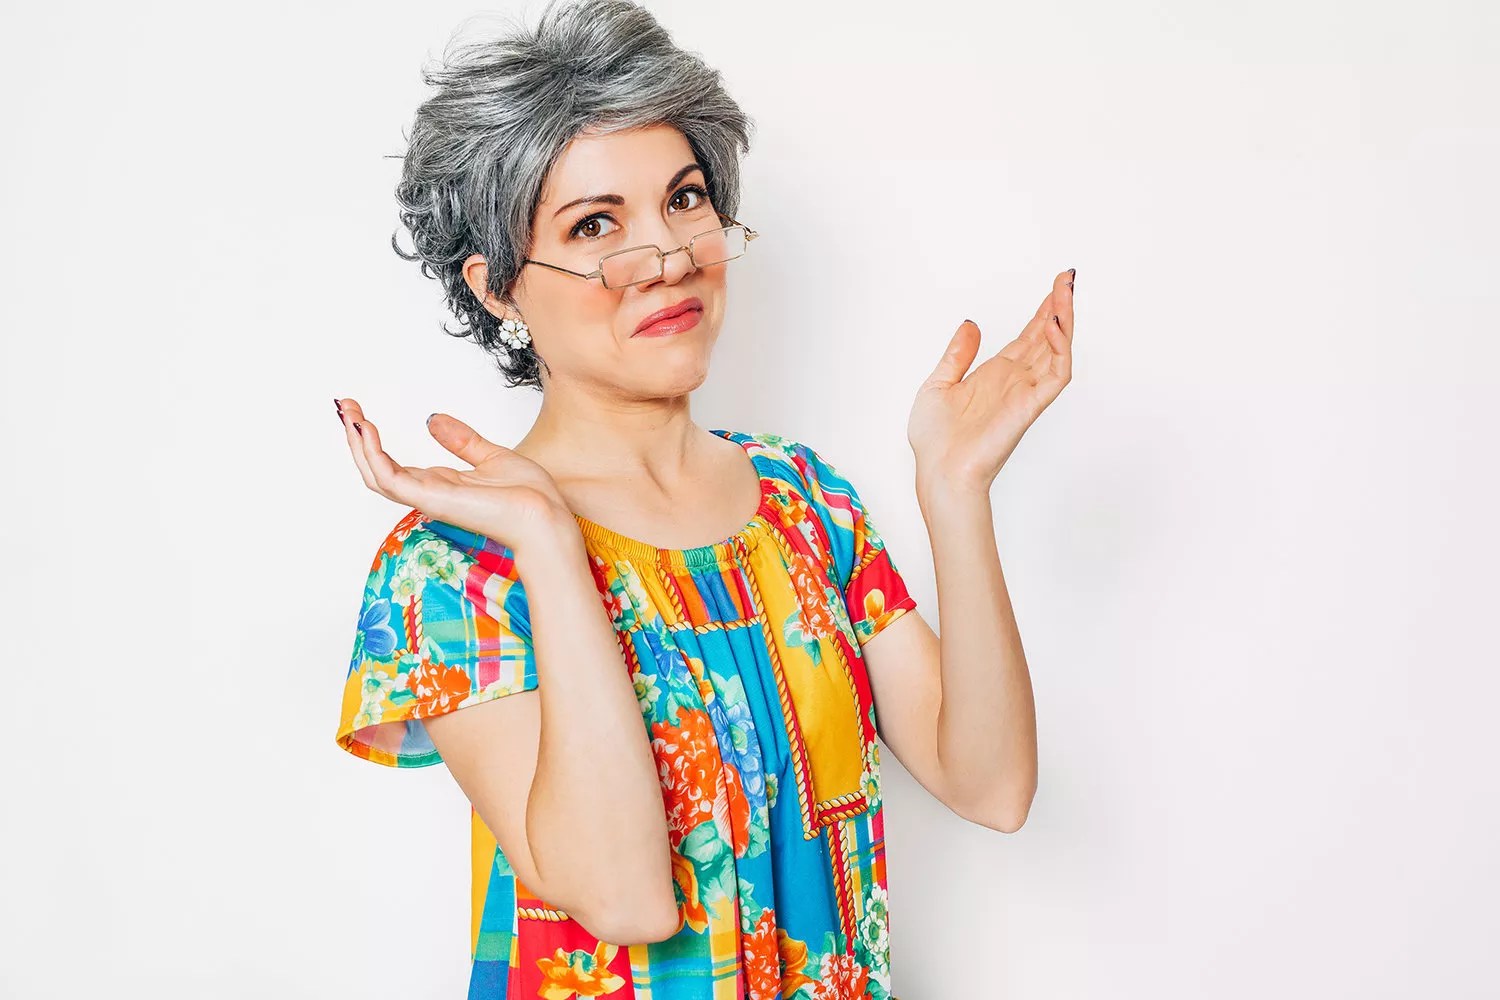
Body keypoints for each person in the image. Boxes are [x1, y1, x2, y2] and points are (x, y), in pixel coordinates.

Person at [332, 1, 1063, 996]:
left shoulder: (805, 502)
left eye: (685, 199)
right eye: (596, 224)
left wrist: (956, 491)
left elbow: (992, 784)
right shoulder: (454, 567)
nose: (672, 257)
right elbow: (626, 900)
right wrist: (550, 543)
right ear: (498, 286)